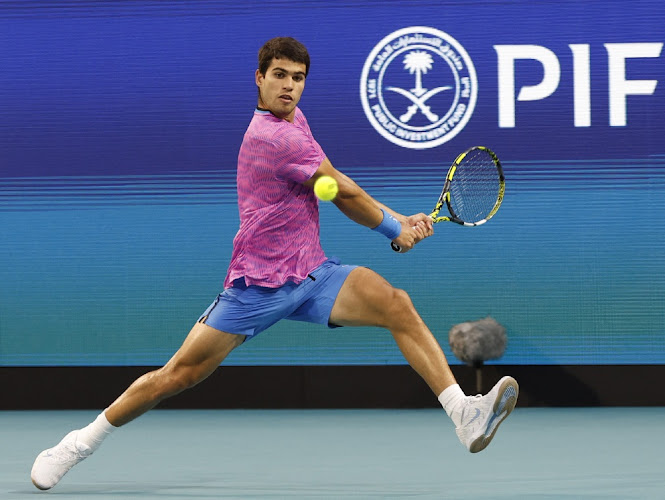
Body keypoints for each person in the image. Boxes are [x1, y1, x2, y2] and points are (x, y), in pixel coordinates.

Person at [30, 37, 519, 491]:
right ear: (259, 79)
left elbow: (336, 182)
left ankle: (463, 414)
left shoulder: (296, 122)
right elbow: (342, 191)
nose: (289, 86)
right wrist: (395, 233)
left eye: (298, 77)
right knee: (177, 375)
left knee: (395, 304)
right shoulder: (272, 137)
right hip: (257, 286)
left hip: (312, 273)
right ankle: (79, 442)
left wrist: (400, 219)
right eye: (280, 75)